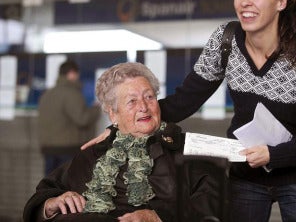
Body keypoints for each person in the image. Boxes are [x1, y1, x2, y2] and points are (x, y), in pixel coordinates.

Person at [82, 0, 296, 221]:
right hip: (247, 173)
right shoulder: (224, 40)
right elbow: (185, 100)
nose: (245, 1)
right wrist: (121, 126)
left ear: (281, 1)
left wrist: (274, 155)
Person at [24, 62, 227, 222]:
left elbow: (214, 202)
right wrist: (50, 204)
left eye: (149, 97)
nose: (144, 107)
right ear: (113, 114)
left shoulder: (186, 150)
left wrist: (160, 217)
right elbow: (44, 194)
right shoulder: (93, 154)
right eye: (132, 101)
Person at [38, 59, 101, 175]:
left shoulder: (47, 94)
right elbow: (82, 119)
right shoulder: (72, 93)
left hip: (48, 148)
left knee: (50, 185)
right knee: (67, 185)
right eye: (77, 74)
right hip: (67, 148)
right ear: (72, 73)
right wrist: (96, 109)